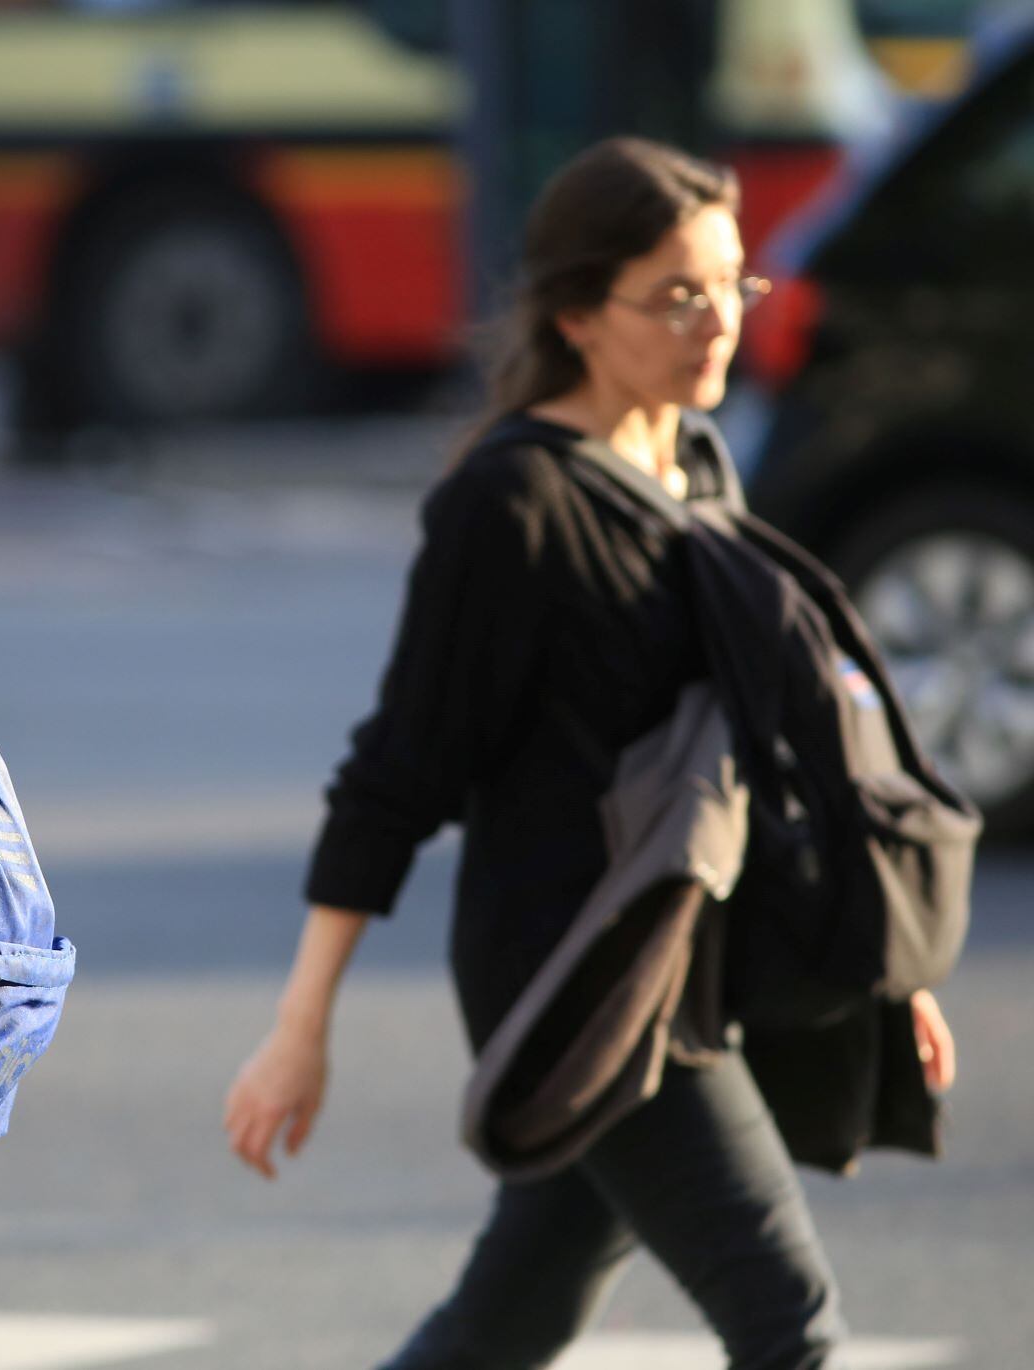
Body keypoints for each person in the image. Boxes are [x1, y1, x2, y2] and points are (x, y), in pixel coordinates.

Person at [221, 137, 959, 1370]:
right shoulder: (510, 510)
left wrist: (889, 969)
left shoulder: (699, 467)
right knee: (793, 1321)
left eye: (733, 284)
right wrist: (301, 1025)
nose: (716, 319)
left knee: (515, 1315)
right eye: (677, 294)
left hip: (690, 952)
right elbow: (398, 770)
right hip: (587, 982)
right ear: (575, 312)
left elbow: (768, 751)